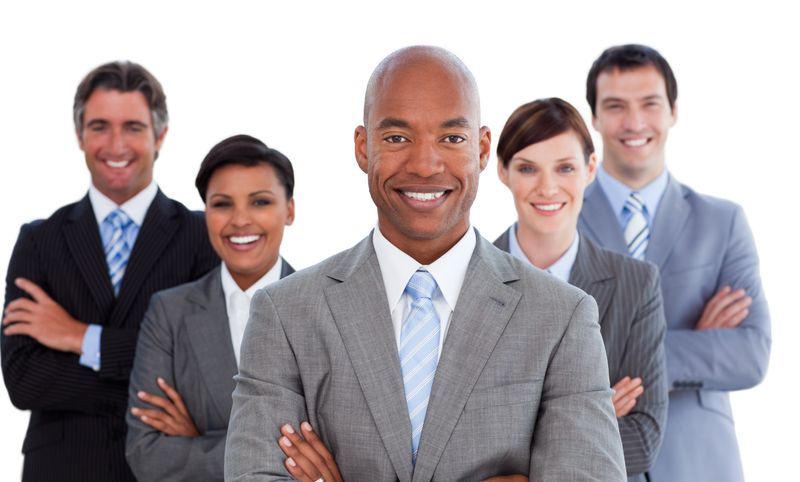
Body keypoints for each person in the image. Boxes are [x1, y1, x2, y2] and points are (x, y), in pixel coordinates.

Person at [224, 45, 626, 482]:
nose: (425, 164)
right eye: (397, 138)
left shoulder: (562, 317)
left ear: (482, 148)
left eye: (452, 138)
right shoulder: (285, 315)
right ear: (363, 148)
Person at [1, 61, 218, 482]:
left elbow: (200, 373)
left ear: (160, 136)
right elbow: (23, 380)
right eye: (100, 126)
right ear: (80, 135)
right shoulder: (38, 242)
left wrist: (78, 337)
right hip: (63, 470)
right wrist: (148, 382)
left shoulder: (202, 236)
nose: (115, 144)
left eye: (133, 127)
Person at [579, 44, 771, 482]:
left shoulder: (723, 222)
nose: (634, 123)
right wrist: (697, 344)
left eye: (649, 104)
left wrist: (630, 359)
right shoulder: (557, 226)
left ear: (673, 111)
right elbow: (544, 360)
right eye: (615, 106)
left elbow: (751, 353)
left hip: (701, 462)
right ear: (594, 117)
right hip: (597, 460)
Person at [492, 97, 667, 481]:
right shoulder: (464, 278)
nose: (548, 188)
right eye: (527, 168)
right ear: (503, 172)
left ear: (591, 169)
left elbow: (643, 438)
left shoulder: (635, 285)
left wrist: (516, 447)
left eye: (565, 168)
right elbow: (450, 438)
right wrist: (589, 418)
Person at [125, 134, 296, 481]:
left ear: (289, 210)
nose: (240, 221)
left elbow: (342, 447)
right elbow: (147, 455)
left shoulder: (326, 305)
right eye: (222, 204)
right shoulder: (168, 313)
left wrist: (199, 441)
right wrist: (278, 452)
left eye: (260, 202)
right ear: (205, 213)